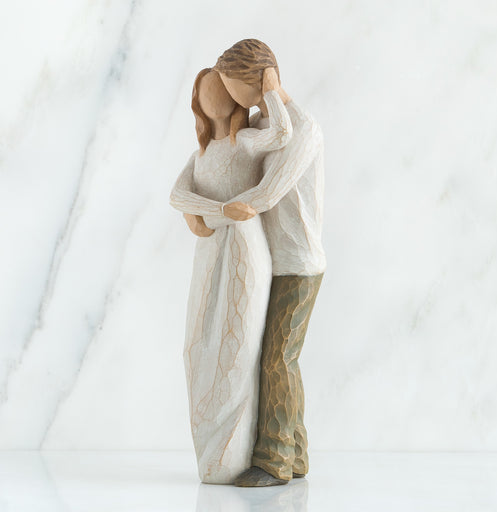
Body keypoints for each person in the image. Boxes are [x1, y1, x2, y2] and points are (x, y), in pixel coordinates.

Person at [185, 39, 326, 487]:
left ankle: (274, 461)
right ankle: (296, 451)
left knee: (277, 358)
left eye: (234, 87)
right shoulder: (263, 124)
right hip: (272, 258)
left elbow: (264, 196)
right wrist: (195, 207)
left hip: (297, 260)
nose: (230, 98)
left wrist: (213, 213)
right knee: (273, 355)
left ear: (261, 81)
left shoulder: (302, 129)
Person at [169, 66, 292, 484]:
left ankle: (233, 455)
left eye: (219, 86)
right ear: (197, 103)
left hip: (244, 248)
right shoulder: (201, 154)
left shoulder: (249, 140)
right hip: (211, 250)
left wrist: (271, 88)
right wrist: (214, 211)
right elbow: (177, 195)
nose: (212, 93)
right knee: (198, 344)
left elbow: (283, 133)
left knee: (237, 347)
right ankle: (210, 456)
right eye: (204, 89)